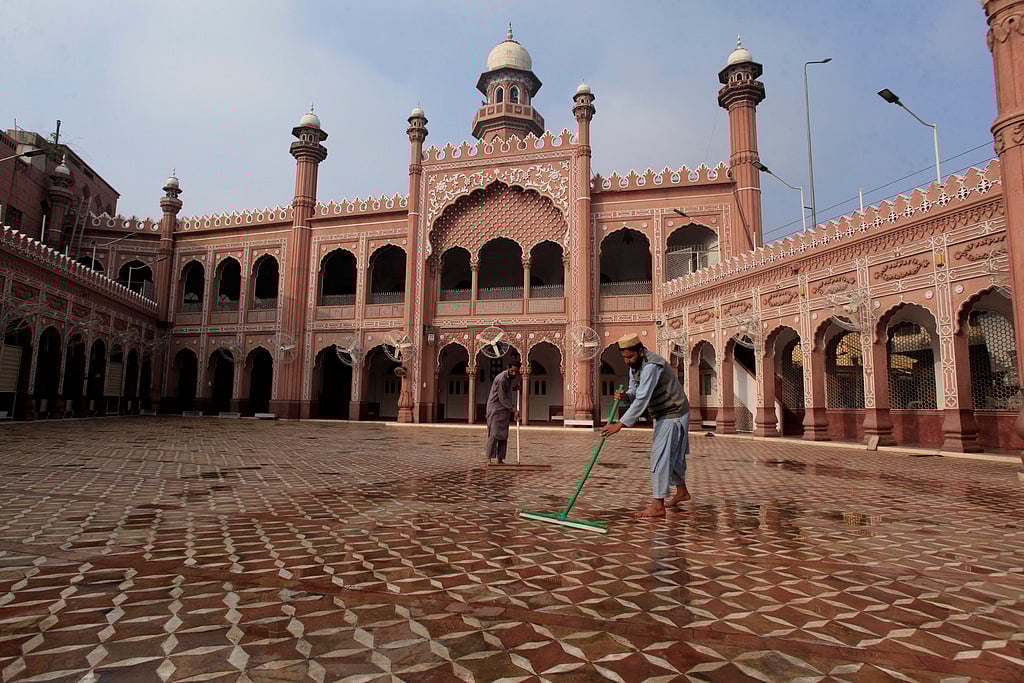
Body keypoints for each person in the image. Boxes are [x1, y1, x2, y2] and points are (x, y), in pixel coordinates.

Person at [600, 333, 691, 519]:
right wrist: (625, 396)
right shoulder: (635, 366)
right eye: (624, 357)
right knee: (672, 453)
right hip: (663, 413)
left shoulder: (651, 366)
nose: (627, 361)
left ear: (640, 351)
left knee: (660, 456)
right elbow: (635, 391)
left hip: (673, 411)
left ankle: (658, 505)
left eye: (630, 356)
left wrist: (621, 424)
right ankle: (682, 492)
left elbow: (643, 398)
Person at [485, 360, 522, 464]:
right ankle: (489, 458)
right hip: (495, 409)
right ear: (508, 368)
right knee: (495, 433)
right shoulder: (501, 379)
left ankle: (500, 459)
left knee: (503, 434)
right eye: (512, 371)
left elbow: (506, 392)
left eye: (516, 371)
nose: (514, 373)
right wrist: (514, 409)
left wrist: (514, 388)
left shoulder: (509, 378)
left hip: (504, 409)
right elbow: (502, 398)